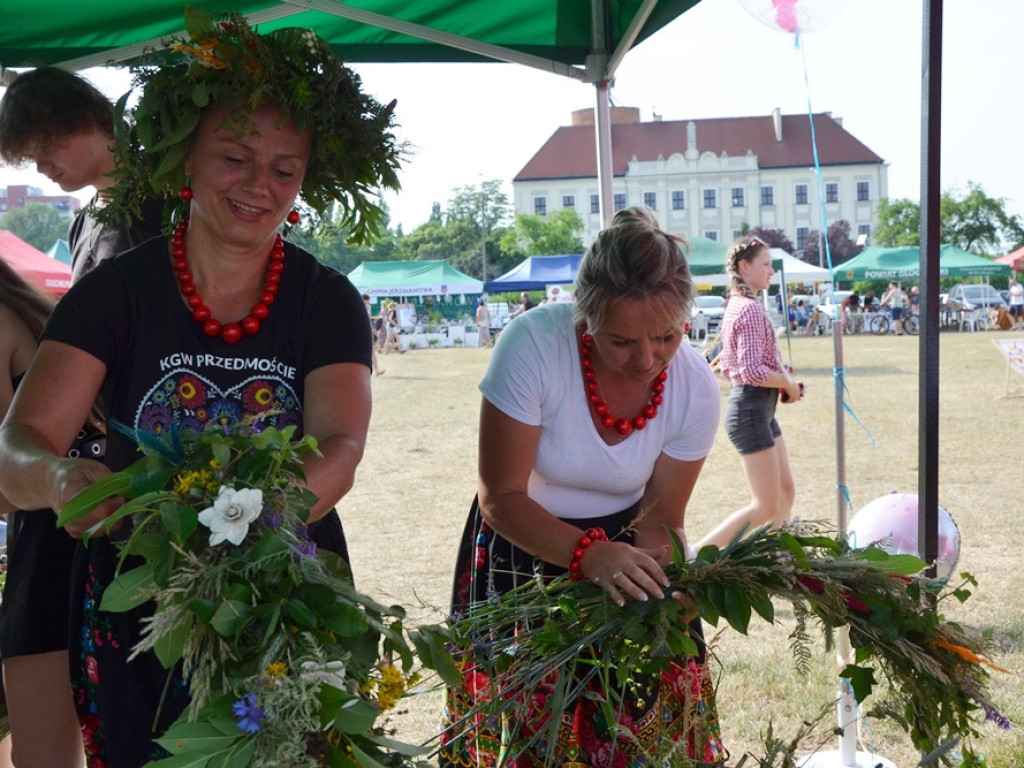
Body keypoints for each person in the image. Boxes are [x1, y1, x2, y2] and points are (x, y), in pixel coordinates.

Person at [0, 11, 398, 765]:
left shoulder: (326, 301)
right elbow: (18, 441)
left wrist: (250, 532)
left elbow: (342, 443)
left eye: (284, 168)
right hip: (144, 603)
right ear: (186, 158)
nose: (259, 186)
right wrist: (57, 477)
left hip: (287, 600)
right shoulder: (114, 294)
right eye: (235, 158)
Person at [440, 207, 725, 767]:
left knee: (637, 721)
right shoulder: (531, 345)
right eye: (621, 342)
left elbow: (661, 518)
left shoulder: (695, 387)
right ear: (584, 320)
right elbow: (501, 498)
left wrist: (664, 587)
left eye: (667, 336)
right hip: (521, 545)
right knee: (524, 725)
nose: (646, 360)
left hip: (626, 549)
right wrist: (588, 555)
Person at [0, 65, 166, 768]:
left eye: (42, 149)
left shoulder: (163, 203)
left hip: (141, 469)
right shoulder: (88, 216)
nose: (41, 166)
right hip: (83, 461)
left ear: (81, 121)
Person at [0, 67, 163, 282]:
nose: (41, 166)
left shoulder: (164, 197)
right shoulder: (80, 225)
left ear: (85, 121)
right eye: (31, 157)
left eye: (47, 146)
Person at [696, 235, 802, 551]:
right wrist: (786, 384)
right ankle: (693, 558)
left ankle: (776, 560)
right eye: (766, 265)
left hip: (759, 410)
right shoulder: (749, 310)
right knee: (766, 506)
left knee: (785, 492)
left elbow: (742, 367)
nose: (771, 271)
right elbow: (754, 371)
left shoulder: (739, 305)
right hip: (751, 411)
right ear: (745, 267)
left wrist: (785, 381)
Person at [362, 294, 385, 375]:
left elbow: (368, 318)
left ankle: (376, 370)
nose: (368, 303)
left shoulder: (367, 306)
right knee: (370, 352)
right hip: (364, 330)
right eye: (367, 302)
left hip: (367, 330)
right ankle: (375, 370)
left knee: (372, 351)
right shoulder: (362, 307)